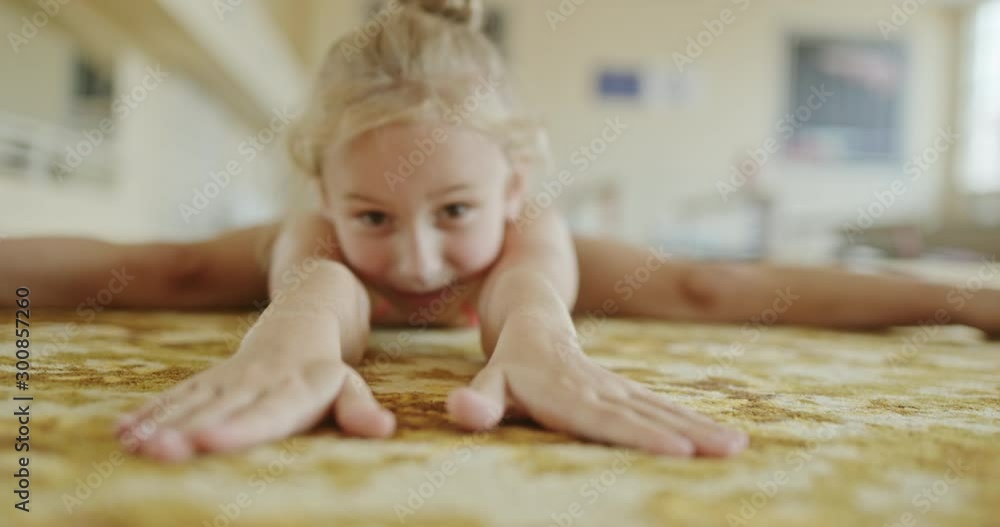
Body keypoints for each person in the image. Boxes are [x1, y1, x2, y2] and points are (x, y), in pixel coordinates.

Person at [2, 0, 996, 462]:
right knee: (171, 269)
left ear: (514, 183)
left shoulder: (532, 233)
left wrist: (963, 300)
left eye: (457, 211)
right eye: (373, 215)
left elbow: (542, 295)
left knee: (702, 285)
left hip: (545, 259)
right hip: (309, 251)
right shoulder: (313, 232)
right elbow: (248, 281)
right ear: (322, 183)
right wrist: (290, 326)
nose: (421, 257)